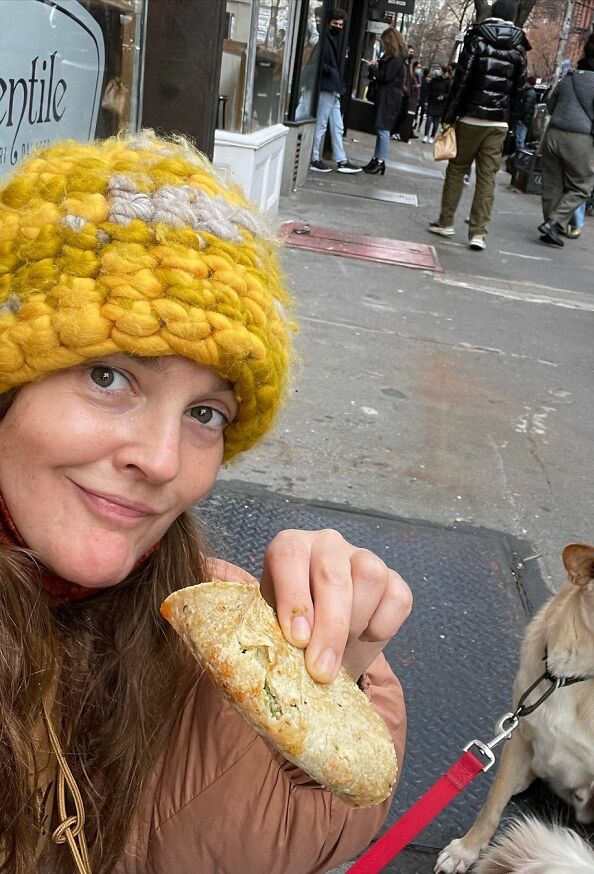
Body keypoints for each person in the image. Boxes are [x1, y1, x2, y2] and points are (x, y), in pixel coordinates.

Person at [0, 133, 411, 873]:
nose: (160, 462)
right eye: (108, 376)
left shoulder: (206, 634)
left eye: (205, 414)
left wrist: (318, 693)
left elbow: (234, 846)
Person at [428, 0, 527, 251]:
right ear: (513, 17)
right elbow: (518, 91)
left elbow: (462, 81)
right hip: (499, 123)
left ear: (493, 13)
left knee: (457, 168)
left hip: (471, 118)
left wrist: (449, 116)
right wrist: (510, 123)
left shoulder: (477, 38)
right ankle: (478, 233)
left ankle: (446, 221)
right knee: (487, 178)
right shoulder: (520, 47)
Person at [538, 33, 594, 247]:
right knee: (582, 186)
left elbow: (551, 105)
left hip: (552, 136)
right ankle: (554, 223)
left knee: (552, 184)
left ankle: (550, 226)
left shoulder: (568, 77)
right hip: (578, 139)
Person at [309, 7, 362, 174]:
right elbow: (318, 64)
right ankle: (314, 158)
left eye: (340, 24)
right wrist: (332, 74)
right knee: (322, 124)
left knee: (337, 126)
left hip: (332, 88)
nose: (338, 27)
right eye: (335, 23)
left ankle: (341, 160)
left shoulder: (329, 40)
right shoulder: (325, 41)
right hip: (327, 88)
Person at [363, 28, 409, 176]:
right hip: (388, 95)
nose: (384, 44)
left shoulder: (396, 58)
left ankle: (380, 160)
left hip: (389, 96)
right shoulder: (395, 57)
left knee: (383, 128)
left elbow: (386, 76)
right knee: (381, 128)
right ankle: (377, 159)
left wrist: (374, 68)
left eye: (385, 41)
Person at [422, 65, 450, 144]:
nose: (437, 70)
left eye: (439, 69)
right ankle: (425, 135)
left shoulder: (447, 81)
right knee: (429, 119)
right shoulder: (434, 80)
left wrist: (443, 96)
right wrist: (426, 101)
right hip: (432, 101)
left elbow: (449, 93)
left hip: (440, 104)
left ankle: (432, 136)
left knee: (436, 121)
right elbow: (428, 90)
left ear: (443, 71)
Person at [515, 75, 538, 151]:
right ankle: (520, 152)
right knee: (520, 136)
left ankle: (520, 154)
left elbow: (525, 107)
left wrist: (520, 117)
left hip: (524, 119)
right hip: (525, 119)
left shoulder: (530, 93)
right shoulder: (529, 92)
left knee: (520, 137)